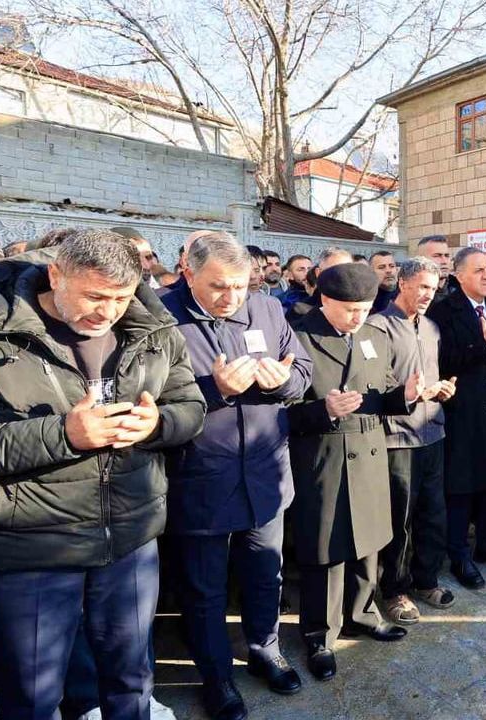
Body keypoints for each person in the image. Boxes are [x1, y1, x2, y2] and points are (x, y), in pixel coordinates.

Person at [0, 230, 207, 720]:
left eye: (122, 299)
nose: (107, 312)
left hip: (130, 539)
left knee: (131, 684)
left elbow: (190, 405)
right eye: (95, 296)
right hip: (33, 547)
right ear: (55, 275)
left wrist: (159, 424)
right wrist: (64, 433)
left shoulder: (154, 327)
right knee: (33, 697)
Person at [160, 232, 313, 720]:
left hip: (266, 471)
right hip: (201, 476)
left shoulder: (268, 309)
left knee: (265, 572)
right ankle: (216, 675)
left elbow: (303, 369)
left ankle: (265, 647)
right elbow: (148, 401)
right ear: (188, 272)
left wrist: (285, 381)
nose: (231, 298)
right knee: (204, 589)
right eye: (218, 287)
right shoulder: (161, 317)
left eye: (241, 287)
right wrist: (214, 389)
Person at [288, 264, 415, 682]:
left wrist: (407, 396)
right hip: (323, 455)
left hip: (369, 452)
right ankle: (319, 634)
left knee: (369, 542)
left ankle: (363, 613)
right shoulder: (299, 336)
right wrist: (321, 409)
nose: (357, 317)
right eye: (349, 310)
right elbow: (279, 411)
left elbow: (381, 393)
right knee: (326, 550)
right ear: (324, 300)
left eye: (364, 308)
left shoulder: (372, 336)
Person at [368, 258, 458, 624]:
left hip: (432, 432)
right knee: (399, 519)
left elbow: (430, 379)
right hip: (397, 438)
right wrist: (410, 394)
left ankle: (426, 579)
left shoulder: (432, 327)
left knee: (433, 514)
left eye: (433, 288)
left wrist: (441, 392)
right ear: (402, 282)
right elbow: (375, 384)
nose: (427, 295)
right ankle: (394, 589)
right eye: (422, 286)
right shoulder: (376, 327)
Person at [427, 248, 486, 589]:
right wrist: (485, 344)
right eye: (478, 270)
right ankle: (459, 555)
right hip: (461, 412)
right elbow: (443, 361)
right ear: (459, 275)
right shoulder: (443, 311)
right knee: (461, 488)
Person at [369, 250, 400, 314]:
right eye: (381, 267)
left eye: (391, 266)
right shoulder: (366, 298)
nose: (388, 271)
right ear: (371, 272)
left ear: (396, 270)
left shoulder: (407, 293)